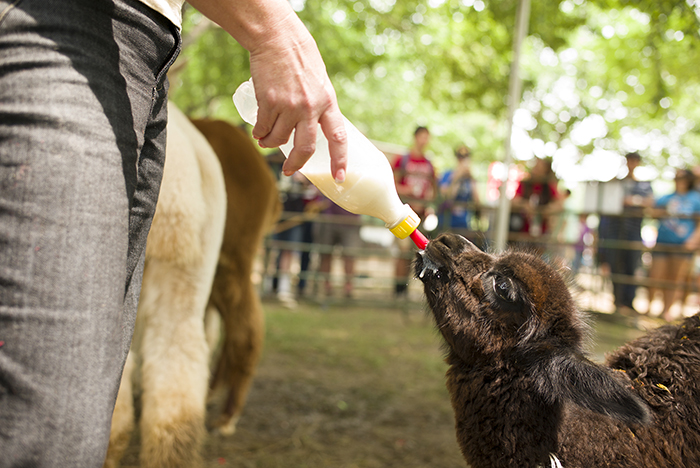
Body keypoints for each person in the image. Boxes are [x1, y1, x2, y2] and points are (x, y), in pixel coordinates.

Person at [0, 1, 348, 466]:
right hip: (64, 27)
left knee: (92, 385)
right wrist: (274, 30)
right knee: (56, 415)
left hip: (147, 57)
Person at [597, 153, 654, 315]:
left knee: (632, 265)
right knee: (615, 265)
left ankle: (629, 302)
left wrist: (632, 200)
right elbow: (607, 199)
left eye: (635, 161)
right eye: (629, 161)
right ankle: (618, 301)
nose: (631, 164)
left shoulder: (643, 185)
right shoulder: (616, 182)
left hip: (633, 231)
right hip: (614, 230)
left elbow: (649, 202)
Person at [645, 169, 700, 321]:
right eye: (676, 178)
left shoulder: (696, 199)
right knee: (655, 275)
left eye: (682, 178)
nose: (678, 181)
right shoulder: (666, 197)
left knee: (675, 279)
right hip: (663, 241)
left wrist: (694, 240)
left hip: (682, 245)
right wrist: (651, 206)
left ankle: (666, 311)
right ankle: (649, 308)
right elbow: (653, 213)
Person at [392, 126, 437, 297]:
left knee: (416, 254)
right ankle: (398, 290)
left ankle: (407, 290)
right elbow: (391, 183)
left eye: (427, 137)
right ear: (415, 137)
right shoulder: (401, 160)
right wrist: (406, 189)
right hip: (403, 212)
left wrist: (429, 204)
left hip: (421, 215)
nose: (424, 141)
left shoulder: (429, 164)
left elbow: (433, 188)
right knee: (402, 253)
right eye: (422, 137)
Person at [314, 194, 362, 299]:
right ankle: (326, 287)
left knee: (350, 255)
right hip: (328, 217)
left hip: (351, 218)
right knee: (325, 253)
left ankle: (348, 288)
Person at [510, 157, 561, 251]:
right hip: (523, 231)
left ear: (545, 170)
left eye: (539, 167)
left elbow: (558, 204)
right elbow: (514, 200)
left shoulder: (548, 186)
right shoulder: (525, 183)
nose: (535, 169)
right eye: (535, 166)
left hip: (541, 232)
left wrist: (545, 210)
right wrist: (524, 204)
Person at [438, 145, 480, 232]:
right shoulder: (447, 174)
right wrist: (456, 177)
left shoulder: (470, 179)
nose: (462, 160)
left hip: (463, 225)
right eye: (460, 157)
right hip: (447, 223)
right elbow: (448, 196)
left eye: (465, 157)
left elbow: (477, 203)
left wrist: (471, 179)